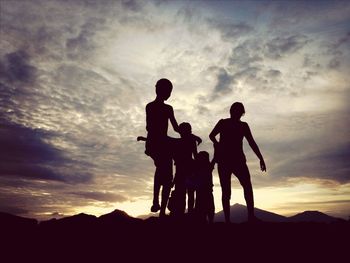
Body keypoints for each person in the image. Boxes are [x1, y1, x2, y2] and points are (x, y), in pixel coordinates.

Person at [209, 102, 266, 223]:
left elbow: (251, 142)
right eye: (237, 111)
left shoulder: (241, 125)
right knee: (230, 190)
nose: (238, 114)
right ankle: (233, 220)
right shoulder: (225, 123)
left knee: (243, 187)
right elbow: (212, 136)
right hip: (228, 160)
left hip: (235, 160)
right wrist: (217, 144)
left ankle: (247, 217)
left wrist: (261, 158)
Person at [144, 78, 179, 217]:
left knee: (167, 173)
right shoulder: (151, 107)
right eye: (168, 91)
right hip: (155, 143)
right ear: (159, 90)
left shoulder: (168, 108)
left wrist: (188, 135)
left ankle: (161, 208)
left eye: (170, 91)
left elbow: (176, 128)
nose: (169, 94)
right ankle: (157, 201)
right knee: (163, 167)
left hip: (162, 143)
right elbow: (150, 127)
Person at [193, 151, 215, 224]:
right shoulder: (208, 167)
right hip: (206, 192)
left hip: (201, 192)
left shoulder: (197, 168)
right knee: (209, 209)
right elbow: (214, 159)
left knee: (202, 210)